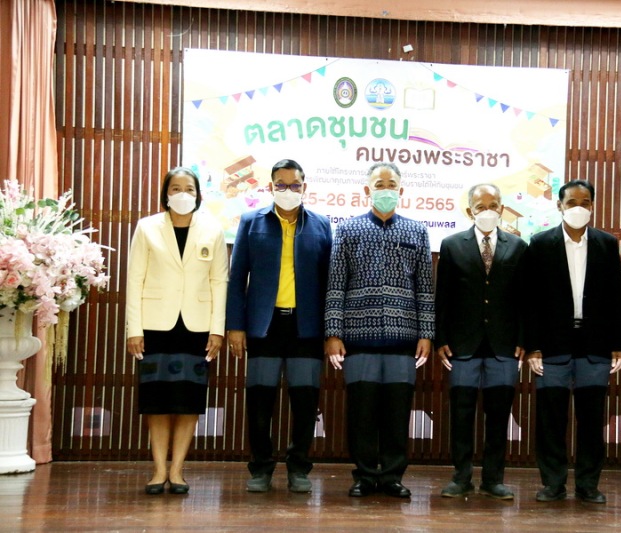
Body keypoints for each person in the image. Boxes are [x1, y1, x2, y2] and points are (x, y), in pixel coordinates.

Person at [325, 162, 434, 499]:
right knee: (361, 412)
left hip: (404, 338)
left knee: (397, 413)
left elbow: (425, 288)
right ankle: (363, 476)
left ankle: (391, 477)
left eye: (391, 184)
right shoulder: (348, 230)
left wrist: (426, 333)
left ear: (401, 191)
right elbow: (336, 284)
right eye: (379, 184)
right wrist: (333, 332)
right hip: (358, 338)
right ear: (367, 190)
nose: (385, 189)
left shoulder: (417, 232)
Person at [226, 159, 332, 493]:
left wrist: (331, 330)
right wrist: (235, 326)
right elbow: (236, 277)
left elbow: (330, 282)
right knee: (260, 401)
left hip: (306, 328)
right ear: (270, 187)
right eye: (281, 184)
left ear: (305, 187)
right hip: (264, 325)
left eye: (294, 184)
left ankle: (299, 467)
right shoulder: (251, 222)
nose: (288, 190)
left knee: (305, 402)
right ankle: (261, 468)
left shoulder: (321, 225)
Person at [522, 179, 621, 504]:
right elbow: (530, 302)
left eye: (585, 202)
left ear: (593, 206)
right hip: (552, 345)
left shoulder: (606, 244)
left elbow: (616, 298)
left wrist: (618, 344)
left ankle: (588, 485)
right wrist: (532, 346)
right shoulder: (540, 243)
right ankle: (553, 484)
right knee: (551, 419)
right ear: (560, 206)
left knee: (592, 419)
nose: (578, 208)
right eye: (571, 202)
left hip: (595, 344)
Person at [126, 166, 228, 495]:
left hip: (197, 329)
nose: (183, 194)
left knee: (189, 401)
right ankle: (158, 471)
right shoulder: (147, 227)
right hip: (154, 326)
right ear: (166, 193)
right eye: (176, 188)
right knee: (156, 401)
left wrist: (217, 330)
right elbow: (134, 279)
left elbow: (219, 282)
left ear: (198, 194)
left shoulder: (212, 229)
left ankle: (178, 470)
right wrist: (133, 329)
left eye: (189, 189)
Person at [435, 183, 527, 500]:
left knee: (499, 415)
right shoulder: (451, 245)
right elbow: (443, 297)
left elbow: (525, 299)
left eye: (493, 205)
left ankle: (493, 479)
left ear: (501, 208)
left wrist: (523, 338)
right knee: (461, 414)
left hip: (504, 346)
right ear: (469, 211)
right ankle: (461, 477)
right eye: (480, 206)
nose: (487, 211)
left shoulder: (519, 246)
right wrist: (441, 338)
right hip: (462, 345)